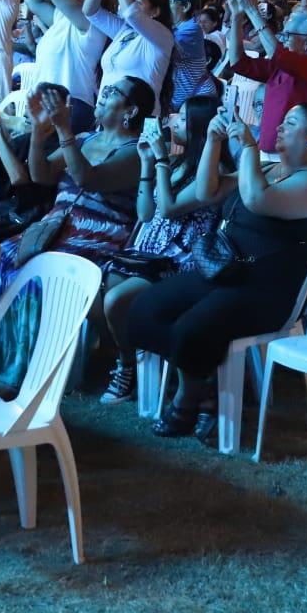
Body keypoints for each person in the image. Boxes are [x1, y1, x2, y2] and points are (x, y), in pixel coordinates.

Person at [124, 103, 307, 440]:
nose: (280, 125)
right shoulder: (269, 169)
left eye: (290, 122)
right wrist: (213, 140)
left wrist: (250, 147)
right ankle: (205, 386)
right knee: (142, 311)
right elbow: (205, 192)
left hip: (265, 292)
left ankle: (186, 399)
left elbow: (258, 200)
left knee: (190, 328)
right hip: (223, 273)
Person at [0, 78, 150, 390]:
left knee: (42, 272)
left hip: (98, 234)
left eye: (111, 92)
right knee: (0, 259)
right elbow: (39, 176)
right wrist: (41, 133)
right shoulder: (84, 139)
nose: (103, 94)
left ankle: (37, 365)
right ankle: (5, 356)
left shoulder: (136, 151)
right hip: (55, 226)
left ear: (131, 109)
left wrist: (64, 130)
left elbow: (88, 179)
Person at [98, 96, 236, 405]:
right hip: (146, 253)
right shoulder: (179, 161)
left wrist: (160, 160)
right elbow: (146, 213)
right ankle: (130, 361)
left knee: (115, 301)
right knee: (104, 293)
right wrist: (148, 164)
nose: (173, 120)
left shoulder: (216, 171)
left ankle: (128, 367)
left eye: (183, 118)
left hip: (178, 261)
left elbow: (171, 208)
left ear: (200, 126)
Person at [224, 0, 307, 154]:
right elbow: (238, 63)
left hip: (294, 157)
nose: (282, 39)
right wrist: (237, 15)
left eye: (288, 35)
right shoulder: (280, 65)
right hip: (268, 153)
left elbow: (278, 54)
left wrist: (252, 10)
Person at [23, 0, 106, 134]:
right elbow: (33, 0)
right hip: (45, 102)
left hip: (72, 105)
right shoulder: (62, 18)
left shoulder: (91, 22)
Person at [84, 0, 174, 113]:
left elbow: (131, 13)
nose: (129, 3)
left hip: (135, 122)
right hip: (108, 118)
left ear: (155, 12)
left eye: (137, 1)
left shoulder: (162, 36)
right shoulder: (124, 31)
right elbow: (90, 11)